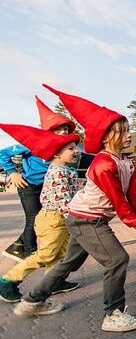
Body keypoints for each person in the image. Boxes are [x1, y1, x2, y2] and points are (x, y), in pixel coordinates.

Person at [14, 84, 136, 333]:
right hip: (85, 220)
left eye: (128, 130)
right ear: (106, 136)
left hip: (86, 219)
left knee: (68, 263)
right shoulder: (103, 164)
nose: (129, 135)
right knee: (117, 259)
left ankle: (31, 301)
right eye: (122, 132)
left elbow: (132, 193)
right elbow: (117, 199)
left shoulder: (125, 161)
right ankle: (113, 315)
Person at [0, 124, 82, 302]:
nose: (76, 151)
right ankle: (8, 281)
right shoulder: (57, 172)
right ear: (55, 153)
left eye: (75, 147)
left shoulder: (68, 169)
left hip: (59, 218)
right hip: (52, 217)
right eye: (71, 148)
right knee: (45, 254)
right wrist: (13, 173)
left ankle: (53, 281)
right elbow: (63, 200)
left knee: (59, 253)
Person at [0, 97, 76, 261]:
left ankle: (19, 244)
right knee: (34, 218)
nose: (63, 132)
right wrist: (13, 172)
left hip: (48, 187)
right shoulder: (33, 143)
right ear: (49, 129)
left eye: (65, 129)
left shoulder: (64, 148)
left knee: (43, 218)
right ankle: (29, 251)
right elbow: (3, 153)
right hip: (29, 186)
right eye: (58, 129)